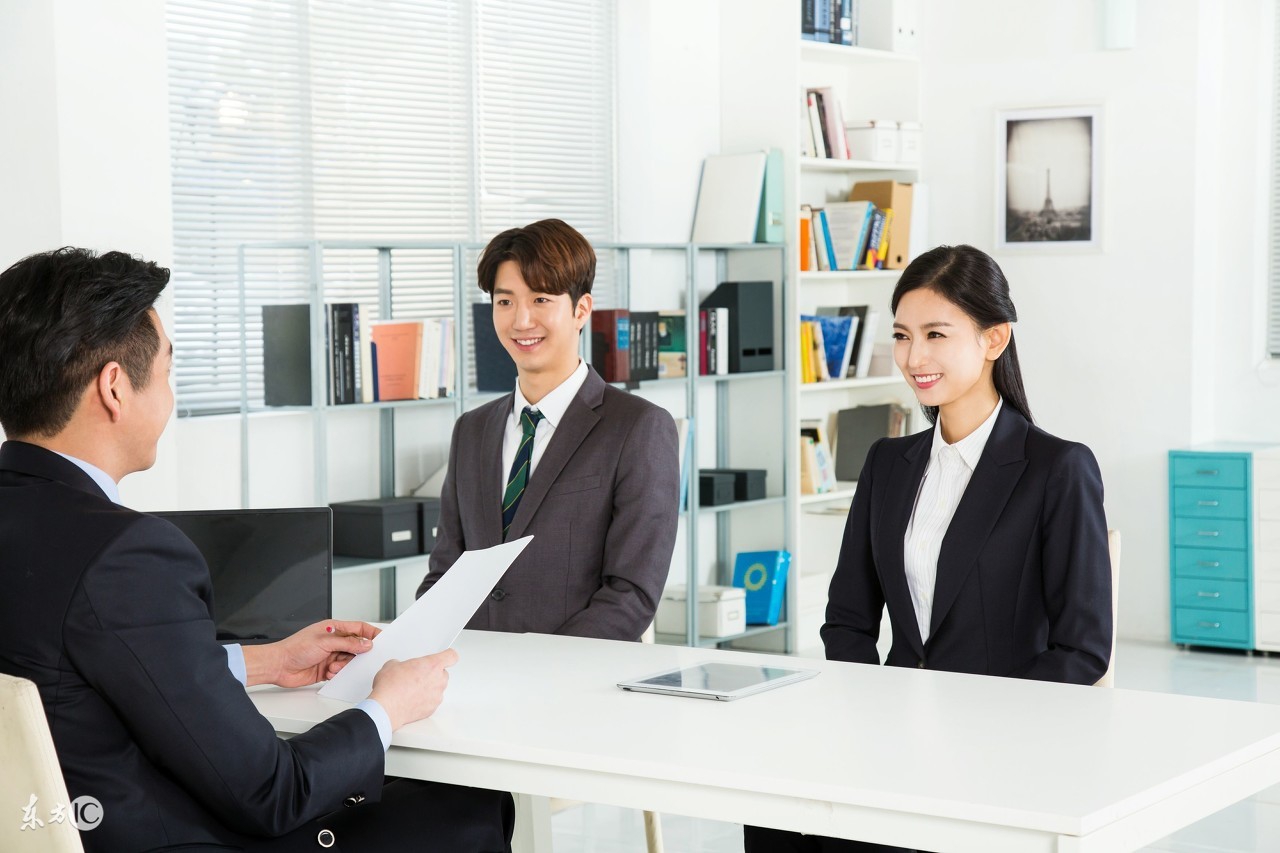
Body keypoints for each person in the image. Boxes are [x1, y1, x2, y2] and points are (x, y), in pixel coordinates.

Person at [0, 247, 514, 852]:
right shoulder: (126, 555)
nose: (169, 396)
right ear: (115, 387)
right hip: (176, 836)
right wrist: (388, 707)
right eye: (168, 371)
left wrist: (263, 662)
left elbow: (88, 669)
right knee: (466, 808)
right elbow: (272, 794)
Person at [744, 244, 1112, 853]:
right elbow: (849, 621)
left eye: (936, 335)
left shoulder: (1058, 469)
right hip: (894, 734)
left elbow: (1082, 650)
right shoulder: (888, 463)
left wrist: (982, 723)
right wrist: (875, 717)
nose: (915, 358)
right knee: (769, 801)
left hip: (1001, 744)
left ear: (994, 339)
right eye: (902, 335)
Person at [417, 219, 679, 641]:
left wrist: (542, 667)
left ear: (581, 310)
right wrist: (410, 651)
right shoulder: (472, 430)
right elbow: (446, 574)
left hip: (574, 682)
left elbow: (631, 594)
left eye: (540, 299)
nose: (521, 320)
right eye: (505, 302)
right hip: (470, 676)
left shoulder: (639, 428)